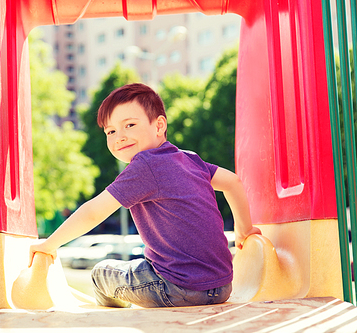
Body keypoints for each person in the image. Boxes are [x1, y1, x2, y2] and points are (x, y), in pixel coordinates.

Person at [29, 83, 261, 308]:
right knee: (140, 266)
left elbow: (92, 212)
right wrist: (245, 229)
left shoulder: (145, 165)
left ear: (159, 125)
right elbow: (233, 181)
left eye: (129, 125)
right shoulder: (190, 159)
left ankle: (117, 321)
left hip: (177, 287)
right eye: (111, 131)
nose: (119, 136)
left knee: (102, 274)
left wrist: (49, 244)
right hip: (222, 287)